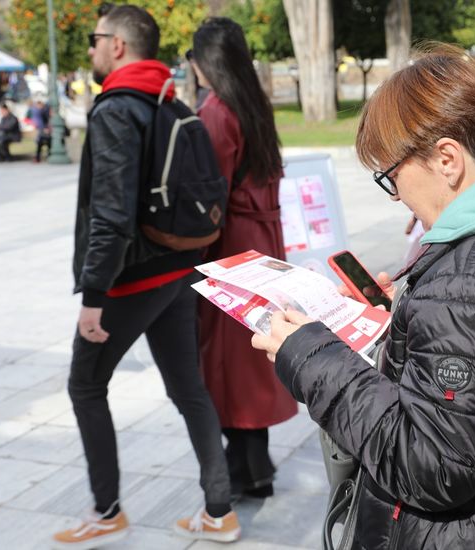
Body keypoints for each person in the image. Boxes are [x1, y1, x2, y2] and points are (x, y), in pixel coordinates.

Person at [252, 43, 475, 549]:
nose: (397, 195)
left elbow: (431, 467)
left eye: (392, 176)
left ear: (447, 158)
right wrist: (396, 328)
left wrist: (313, 356)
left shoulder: (470, 284)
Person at [52, 4, 240, 548]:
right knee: (188, 388)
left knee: (85, 385)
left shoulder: (115, 109)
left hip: (131, 278)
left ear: (117, 45)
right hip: (179, 267)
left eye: (94, 40)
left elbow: (109, 215)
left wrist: (94, 296)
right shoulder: (170, 102)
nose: (89, 50)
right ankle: (219, 511)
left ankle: (107, 511)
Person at [189, 17, 298, 502]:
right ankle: (256, 467)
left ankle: (245, 471)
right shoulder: (254, 104)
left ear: (202, 62)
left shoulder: (217, 110)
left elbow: (210, 192)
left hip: (231, 247)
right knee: (253, 354)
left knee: (228, 361)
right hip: (264, 241)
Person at [26, 98, 51, 163]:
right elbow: (27, 119)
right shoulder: (33, 111)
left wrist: (47, 128)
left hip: (45, 131)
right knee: (40, 141)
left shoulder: (44, 111)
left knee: (43, 141)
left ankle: (40, 157)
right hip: (40, 130)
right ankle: (38, 157)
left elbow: (46, 121)